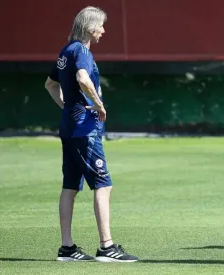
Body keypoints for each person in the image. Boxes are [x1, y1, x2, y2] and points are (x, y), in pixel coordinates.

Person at [44, 6, 138, 262]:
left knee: (70, 186)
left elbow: (50, 84)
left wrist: (67, 107)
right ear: (90, 27)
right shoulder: (82, 51)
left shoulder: (66, 51)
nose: (103, 31)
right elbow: (83, 78)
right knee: (103, 185)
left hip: (70, 127)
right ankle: (106, 247)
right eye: (101, 26)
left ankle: (67, 248)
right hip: (85, 130)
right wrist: (98, 104)